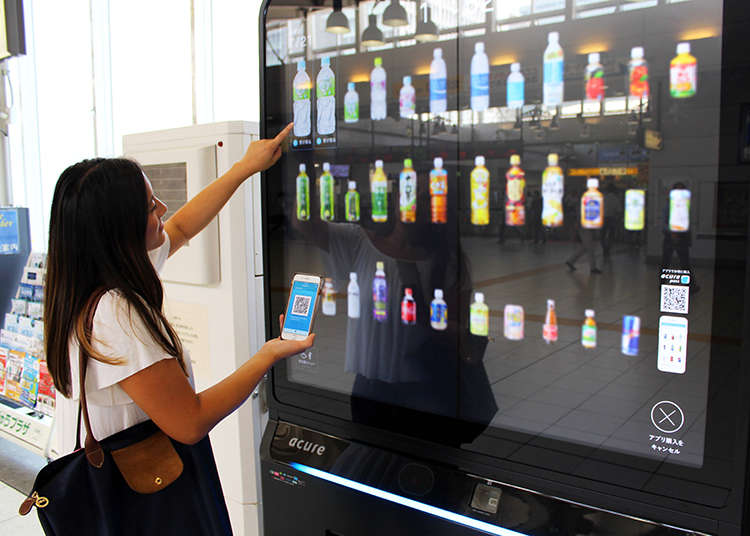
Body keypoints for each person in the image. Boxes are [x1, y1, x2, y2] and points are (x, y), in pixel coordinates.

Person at [45, 123, 312, 488]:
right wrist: (267, 356)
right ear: (119, 229)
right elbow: (191, 421)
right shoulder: (116, 315)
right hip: (141, 497)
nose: (163, 209)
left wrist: (243, 167)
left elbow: (183, 227)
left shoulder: (83, 281)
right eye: (150, 207)